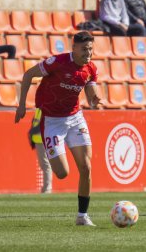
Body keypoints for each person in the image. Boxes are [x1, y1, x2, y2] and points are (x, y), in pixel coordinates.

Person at [15, 31, 101, 226]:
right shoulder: (58, 62)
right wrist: (21, 105)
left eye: (90, 49)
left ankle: (82, 216)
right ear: (74, 48)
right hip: (52, 121)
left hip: (75, 118)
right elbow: (28, 74)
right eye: (84, 49)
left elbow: (90, 86)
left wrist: (94, 97)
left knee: (86, 167)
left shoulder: (91, 68)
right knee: (62, 173)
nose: (88, 53)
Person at [29, 108, 52, 194]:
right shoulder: (39, 109)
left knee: (45, 165)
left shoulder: (43, 109)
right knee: (43, 164)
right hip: (38, 140)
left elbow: (41, 125)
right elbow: (34, 122)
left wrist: (31, 131)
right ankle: (46, 187)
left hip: (42, 140)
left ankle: (47, 188)